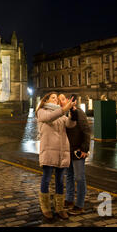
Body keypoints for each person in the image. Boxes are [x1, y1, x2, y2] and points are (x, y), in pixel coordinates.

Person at [36, 92, 76, 220]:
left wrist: (73, 113)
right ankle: (46, 207)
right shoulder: (42, 112)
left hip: (62, 152)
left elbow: (70, 124)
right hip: (49, 151)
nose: (55, 100)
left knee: (60, 181)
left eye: (56, 99)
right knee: (46, 179)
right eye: (53, 97)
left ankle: (59, 208)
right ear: (46, 99)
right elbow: (50, 118)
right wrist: (64, 109)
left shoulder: (60, 114)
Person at [58, 94, 90, 215]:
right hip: (68, 151)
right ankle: (69, 200)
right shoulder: (63, 113)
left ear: (67, 100)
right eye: (59, 100)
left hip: (77, 150)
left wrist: (84, 149)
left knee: (79, 178)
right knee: (69, 176)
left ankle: (80, 205)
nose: (61, 102)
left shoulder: (78, 112)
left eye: (62, 99)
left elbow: (86, 130)